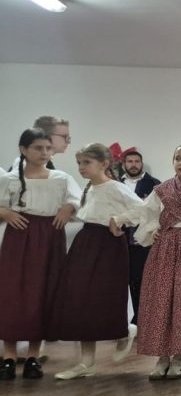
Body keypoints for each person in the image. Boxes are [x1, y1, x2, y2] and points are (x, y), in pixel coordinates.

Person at [114, 143, 181, 380]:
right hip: (164, 249)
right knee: (161, 299)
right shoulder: (162, 190)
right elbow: (145, 213)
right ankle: (161, 357)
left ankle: (178, 359)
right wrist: (149, 230)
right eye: (177, 158)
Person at [51, 143, 143, 379]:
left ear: (104, 164)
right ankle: (86, 363)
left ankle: (124, 331)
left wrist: (119, 219)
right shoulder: (89, 188)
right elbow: (90, 214)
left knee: (104, 295)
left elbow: (143, 209)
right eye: (79, 163)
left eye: (86, 162)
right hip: (86, 241)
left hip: (108, 245)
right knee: (79, 298)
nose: (81, 167)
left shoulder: (115, 187)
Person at [0, 129, 80, 380]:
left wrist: (69, 207)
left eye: (48, 148)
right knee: (13, 293)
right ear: (23, 149)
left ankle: (33, 356)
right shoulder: (9, 179)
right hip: (19, 235)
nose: (44, 152)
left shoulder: (61, 178)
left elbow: (78, 200)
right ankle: (9, 357)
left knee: (42, 292)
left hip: (50, 236)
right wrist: (5, 212)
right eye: (38, 148)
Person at [120, 148, 160, 326]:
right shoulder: (115, 184)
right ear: (124, 164)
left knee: (142, 281)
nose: (133, 165)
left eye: (137, 161)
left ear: (142, 164)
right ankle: (120, 323)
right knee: (120, 281)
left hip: (143, 242)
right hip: (118, 240)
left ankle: (141, 321)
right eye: (130, 161)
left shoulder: (154, 184)